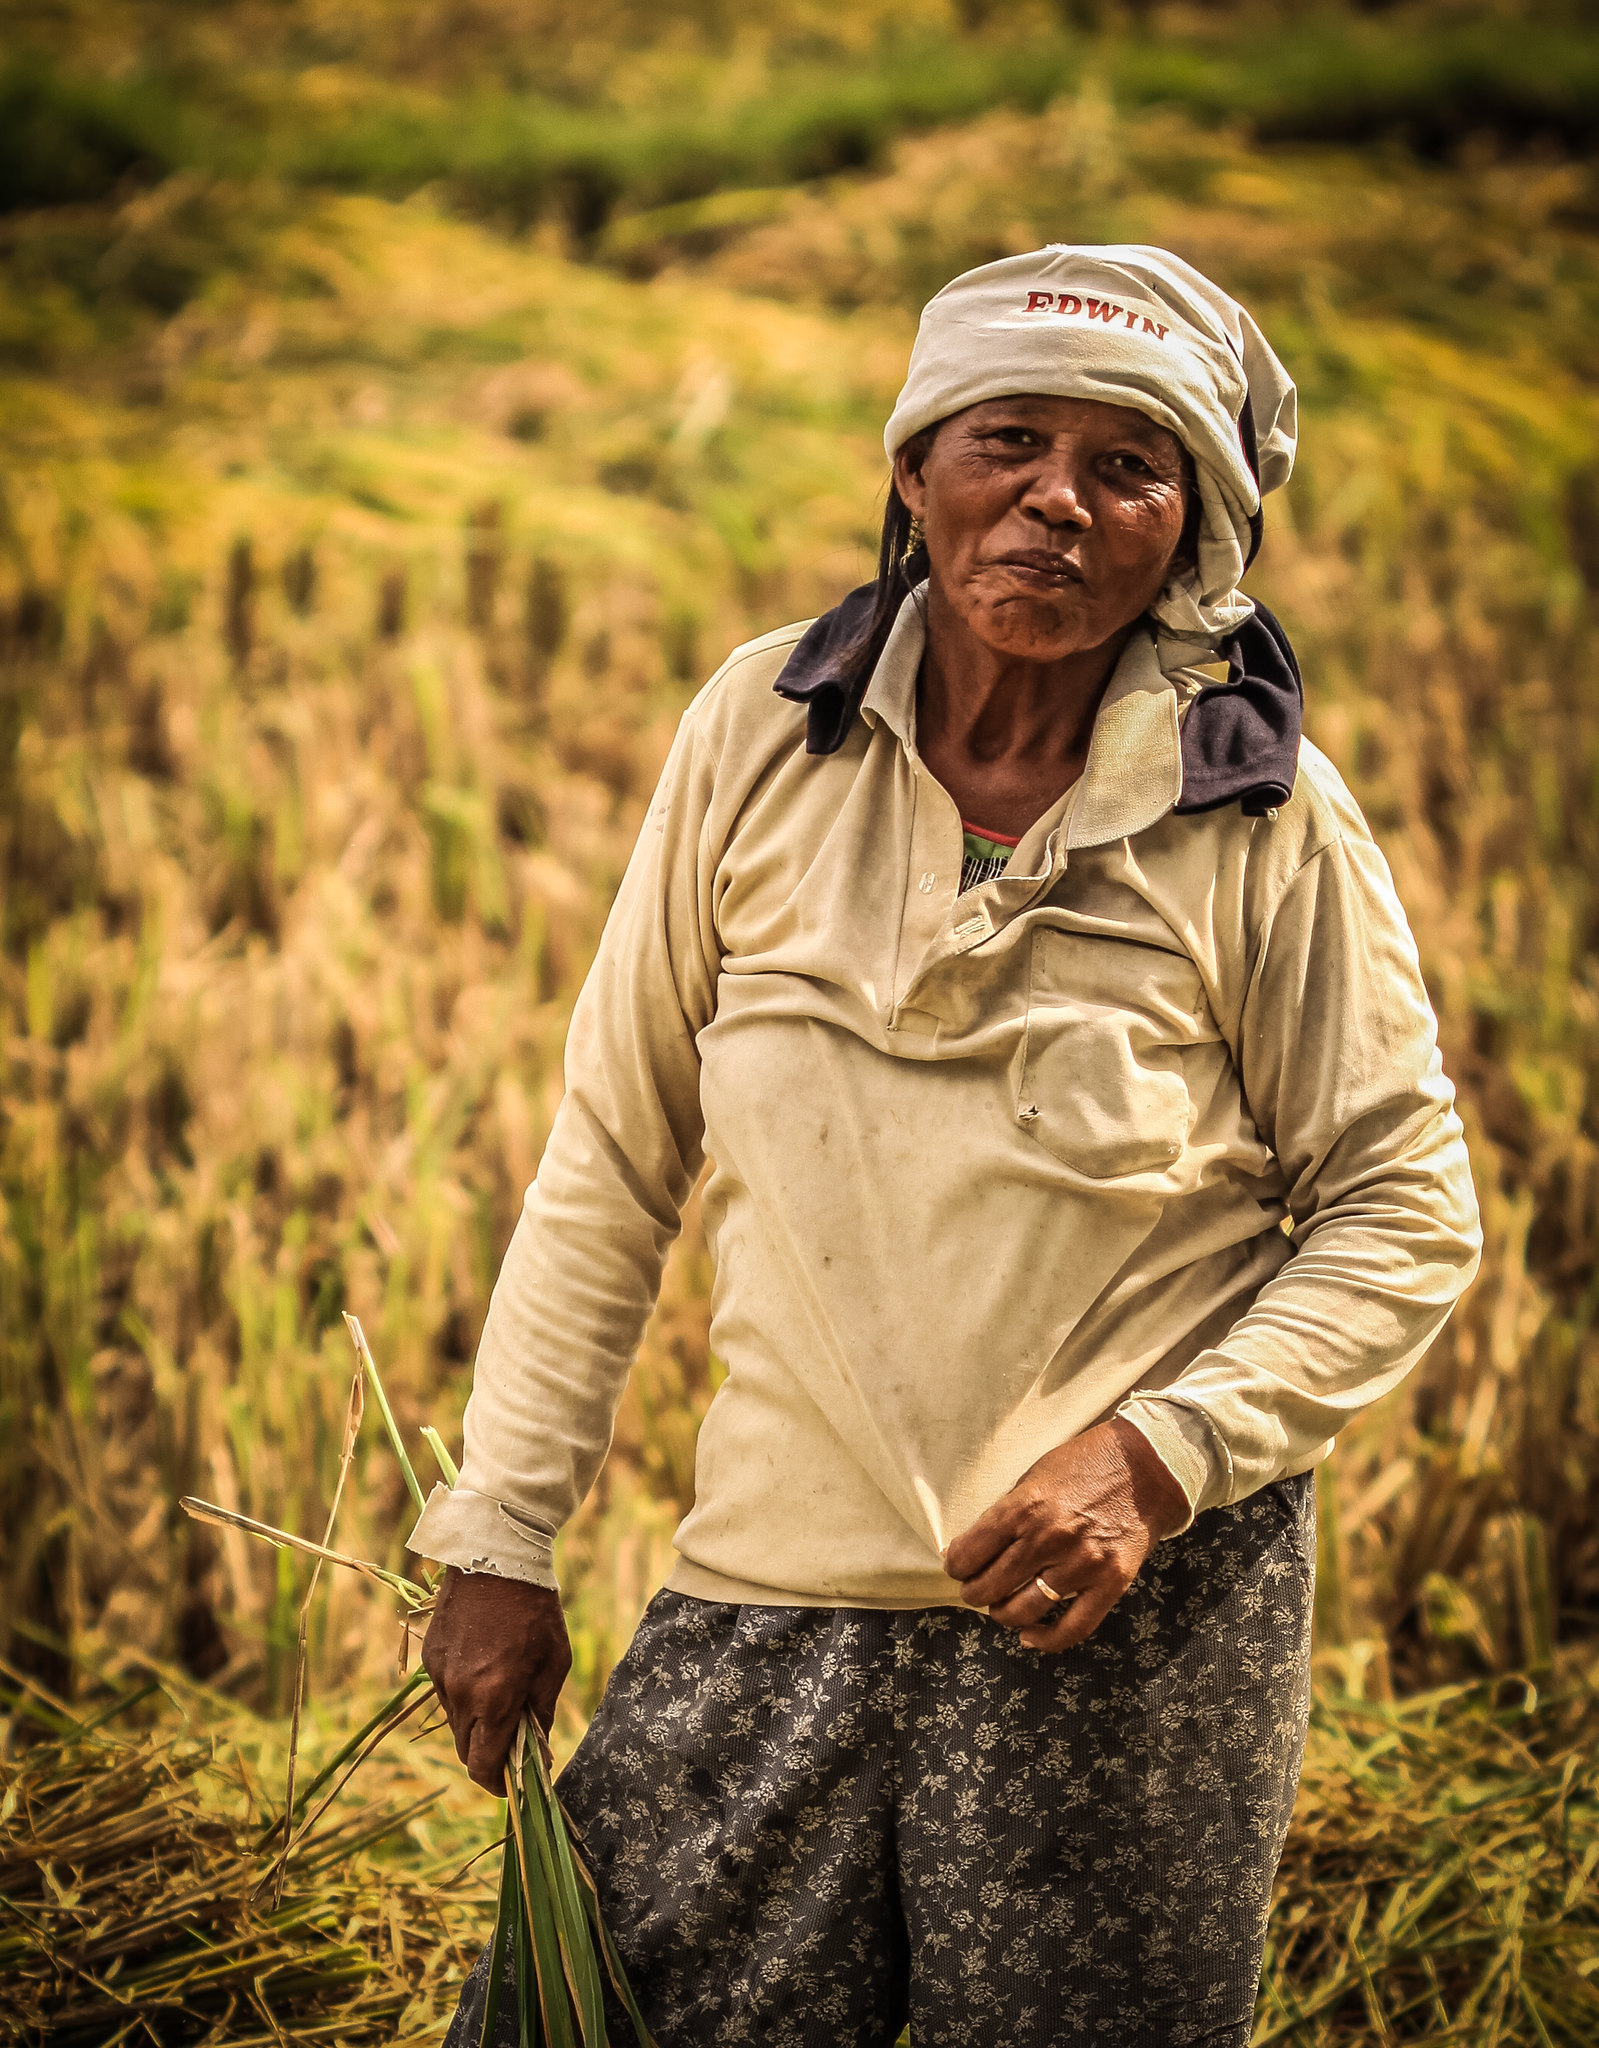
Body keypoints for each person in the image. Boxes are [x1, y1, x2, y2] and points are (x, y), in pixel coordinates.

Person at [415, 245, 1482, 2048]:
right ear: (914, 470)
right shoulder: (761, 732)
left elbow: (1403, 1209)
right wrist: (501, 1531)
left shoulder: (1262, 816)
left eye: (1128, 468)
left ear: (1194, 537)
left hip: (1125, 1641)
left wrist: (1154, 1459)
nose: (1059, 499)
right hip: (769, 1599)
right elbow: (612, 1158)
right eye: (1010, 441)